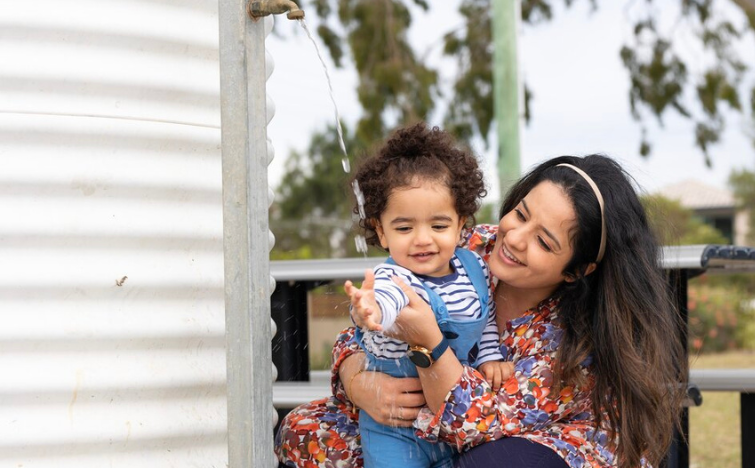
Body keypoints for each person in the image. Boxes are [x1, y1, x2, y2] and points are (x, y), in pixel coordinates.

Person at [276, 153, 686, 468]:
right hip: (431, 428)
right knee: (304, 430)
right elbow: (363, 329)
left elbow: (473, 423)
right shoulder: (464, 248)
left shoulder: (576, 341)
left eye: (544, 242)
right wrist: (358, 382)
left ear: (577, 270)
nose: (515, 239)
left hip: (522, 446)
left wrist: (428, 343)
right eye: (520, 214)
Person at [341, 123, 513, 468]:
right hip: (395, 428)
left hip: (446, 427)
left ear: (461, 223)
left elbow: (487, 319)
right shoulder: (394, 276)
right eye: (404, 228)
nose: (422, 239)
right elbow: (388, 301)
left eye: (438, 226)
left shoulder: (474, 268)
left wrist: (489, 357)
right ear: (381, 231)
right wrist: (370, 312)